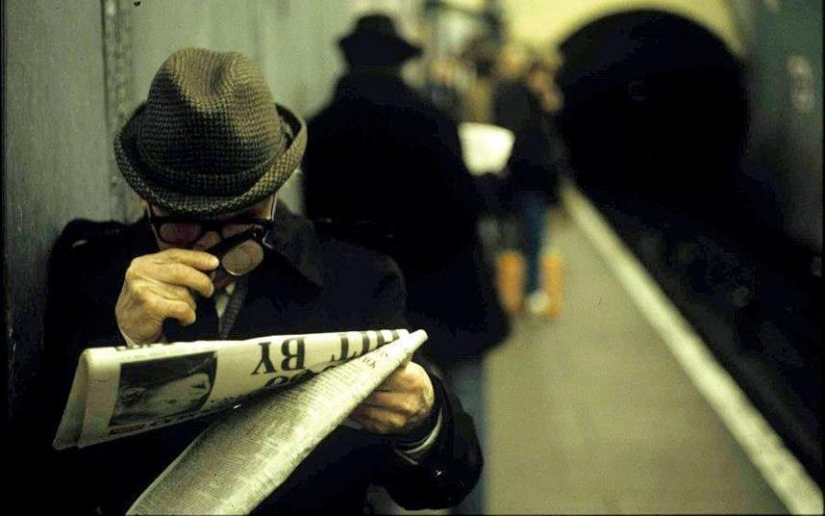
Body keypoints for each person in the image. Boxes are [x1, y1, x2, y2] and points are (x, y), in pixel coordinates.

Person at [28, 47, 482, 515]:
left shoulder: (357, 280)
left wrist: (422, 420)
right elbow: (45, 479)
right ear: (145, 198)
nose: (216, 247)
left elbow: (442, 482)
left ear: (275, 191)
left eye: (242, 219)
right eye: (185, 221)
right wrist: (120, 340)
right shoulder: (93, 270)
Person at [302, 14, 509, 514]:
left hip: (368, 309)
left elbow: (319, 225)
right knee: (459, 430)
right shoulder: (430, 118)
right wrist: (489, 183)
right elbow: (464, 205)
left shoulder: (321, 128)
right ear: (401, 61)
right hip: (449, 297)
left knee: (376, 434)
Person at [495, 49, 569, 315]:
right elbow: (535, 146)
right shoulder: (523, 102)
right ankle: (530, 293)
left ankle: (519, 292)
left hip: (529, 183)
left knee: (524, 240)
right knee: (531, 240)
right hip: (527, 183)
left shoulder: (531, 101)